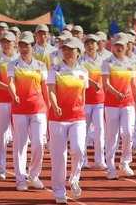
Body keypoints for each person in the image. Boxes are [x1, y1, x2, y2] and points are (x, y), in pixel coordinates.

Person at [46, 38, 88, 204]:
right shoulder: (55, 69)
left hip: (77, 117)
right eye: (65, 49)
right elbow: (51, 91)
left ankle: (74, 179)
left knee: (78, 149)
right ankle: (59, 191)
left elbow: (83, 94)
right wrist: (55, 105)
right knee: (59, 156)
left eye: (72, 49)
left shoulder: (83, 71)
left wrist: (82, 109)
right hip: (58, 118)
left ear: (78, 52)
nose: (68, 52)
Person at [9, 32, 48, 191]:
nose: (24, 48)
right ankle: (20, 179)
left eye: (27, 45)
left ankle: (33, 175)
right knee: (20, 144)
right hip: (19, 110)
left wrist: (49, 108)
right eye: (22, 45)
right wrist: (14, 94)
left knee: (39, 143)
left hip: (38, 108)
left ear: (33, 46)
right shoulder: (14, 65)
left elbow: (45, 87)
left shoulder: (41, 65)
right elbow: (10, 82)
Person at [101, 33, 136, 179]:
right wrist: (116, 93)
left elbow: (134, 84)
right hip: (111, 104)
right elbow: (106, 83)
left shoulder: (131, 63)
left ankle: (125, 162)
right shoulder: (107, 62)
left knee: (128, 133)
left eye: (121, 46)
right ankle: (110, 167)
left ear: (126, 47)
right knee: (112, 136)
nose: (118, 48)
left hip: (128, 103)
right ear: (112, 47)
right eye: (116, 45)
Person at [0, 31, 18, 179]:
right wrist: (9, 88)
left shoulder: (20, 60)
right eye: (4, 42)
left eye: (9, 42)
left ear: (15, 43)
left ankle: (19, 167)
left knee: (19, 136)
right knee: (1, 135)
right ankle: (1, 167)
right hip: (1, 102)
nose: (6, 44)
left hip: (18, 103)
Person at [79, 34, 106, 169]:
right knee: (83, 131)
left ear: (97, 45)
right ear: (84, 46)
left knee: (100, 130)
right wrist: (92, 82)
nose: (90, 45)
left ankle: (99, 160)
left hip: (99, 101)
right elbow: (79, 76)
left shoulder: (104, 61)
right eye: (88, 43)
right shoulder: (80, 61)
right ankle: (83, 160)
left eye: (93, 43)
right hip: (84, 101)